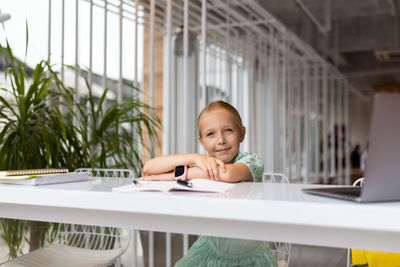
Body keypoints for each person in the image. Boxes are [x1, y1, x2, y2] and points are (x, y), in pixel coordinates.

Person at [142, 100, 278, 267]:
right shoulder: (203, 165)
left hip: (247, 255)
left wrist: (174, 176)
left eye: (228, 130)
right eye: (211, 134)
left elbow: (225, 173)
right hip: (210, 247)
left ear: (242, 133)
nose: (221, 140)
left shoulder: (251, 161)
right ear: (202, 142)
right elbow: (149, 168)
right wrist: (194, 158)